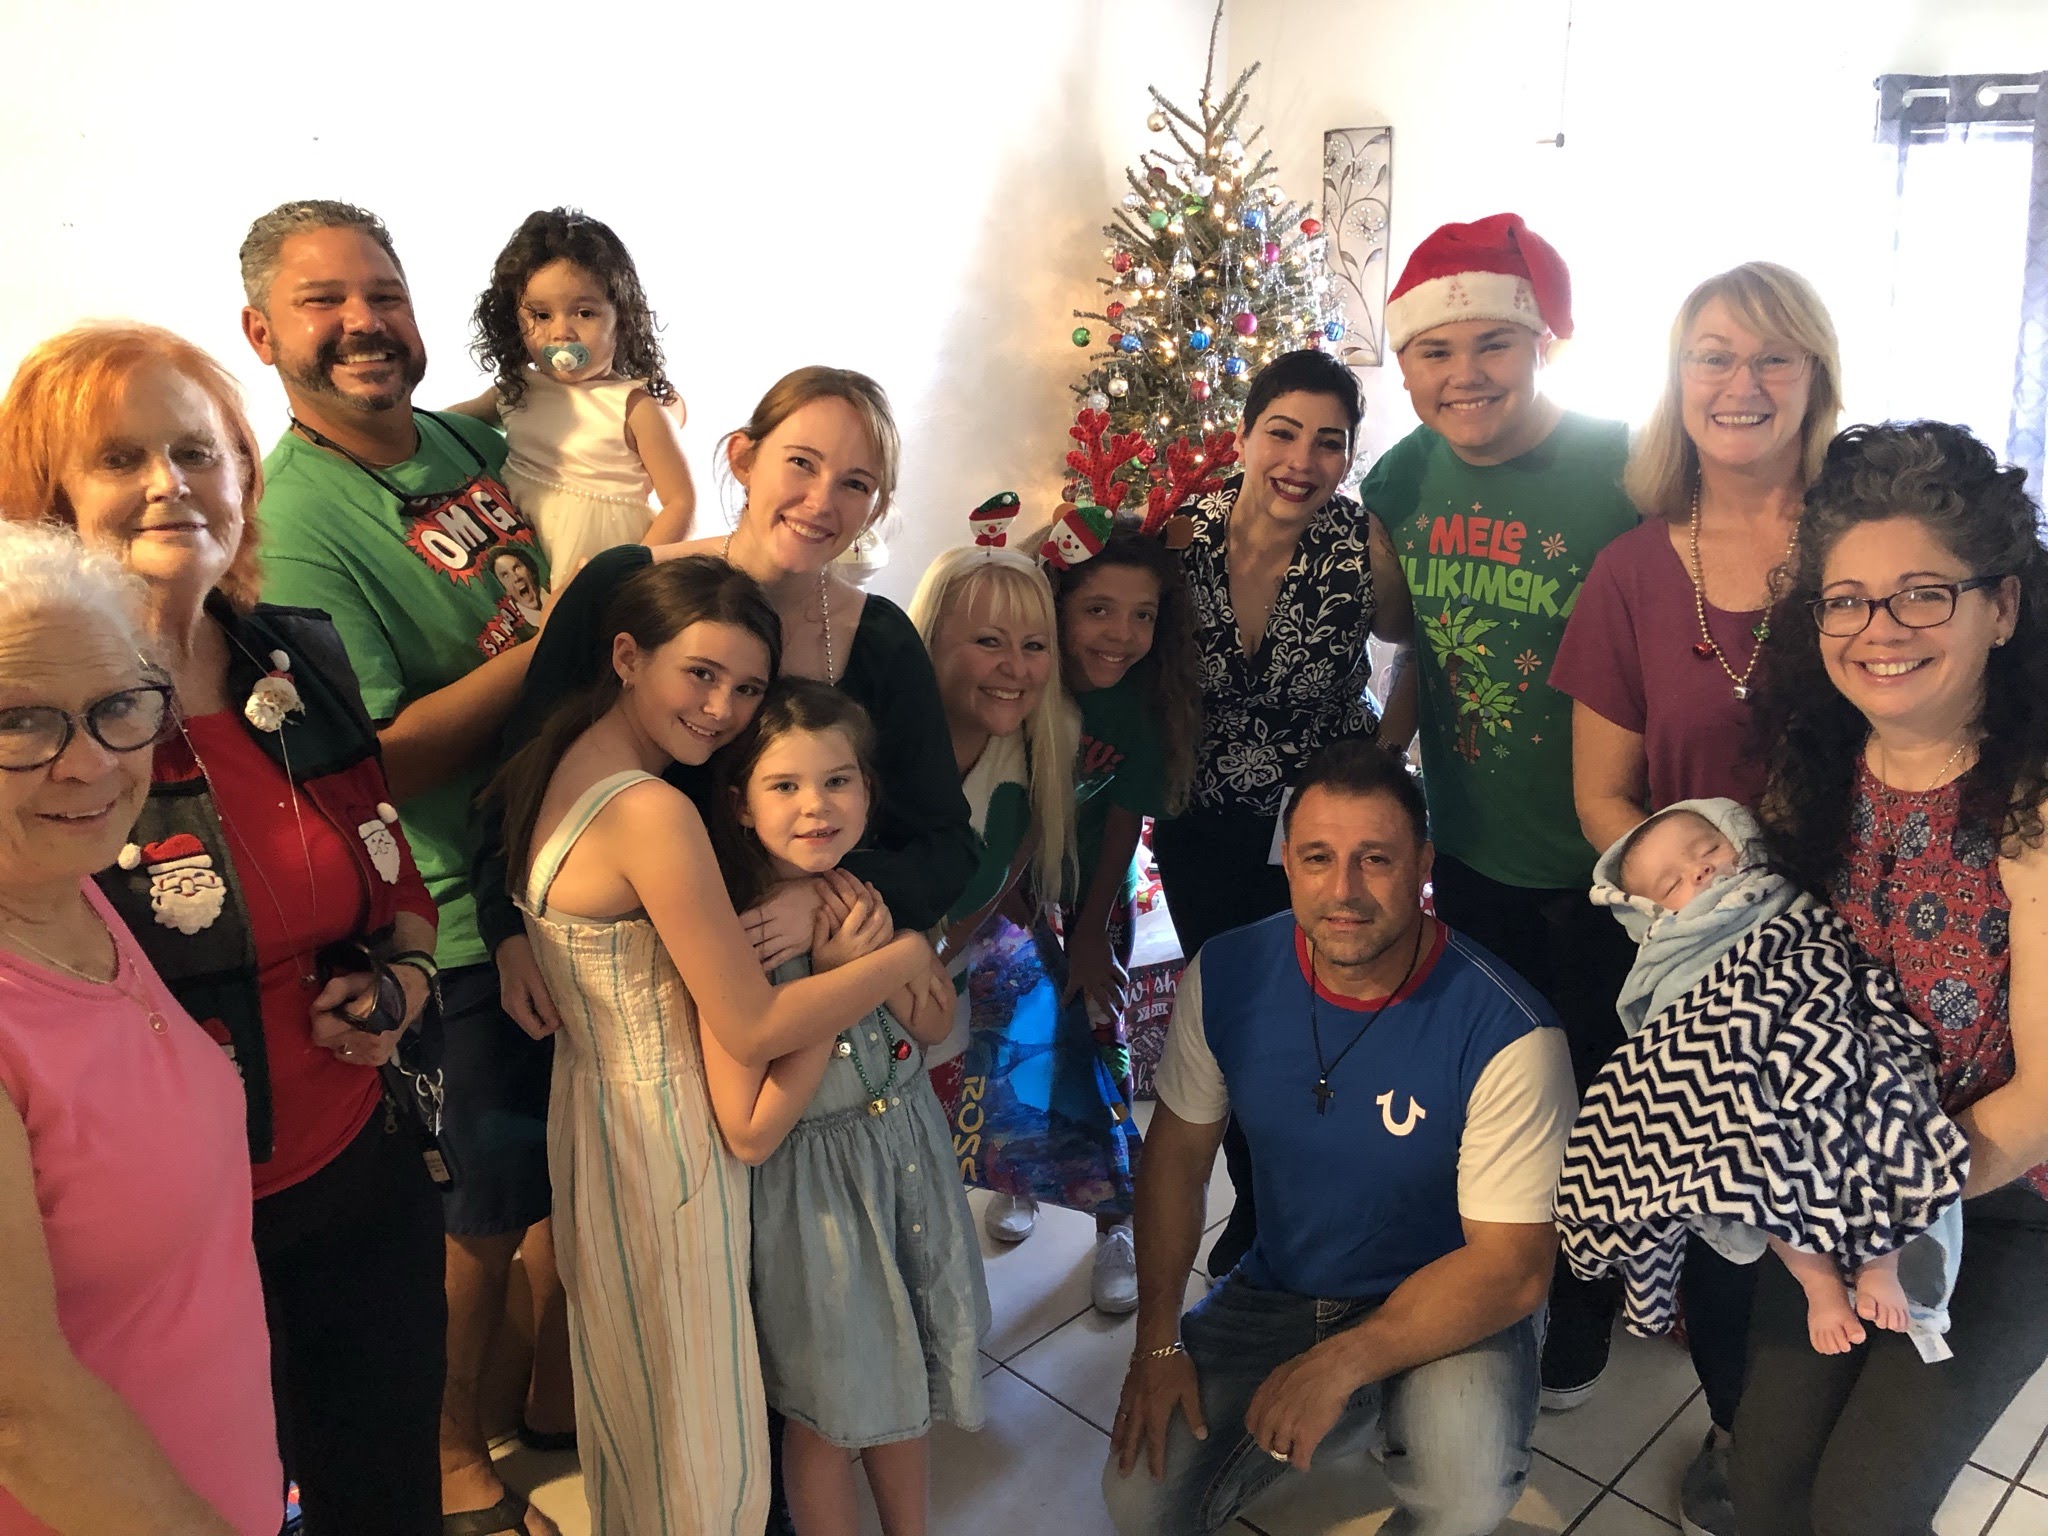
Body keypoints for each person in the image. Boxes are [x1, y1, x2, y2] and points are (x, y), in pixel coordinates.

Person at [0, 323, 448, 1534]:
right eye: (119, 457)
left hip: (356, 1168)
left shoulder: (295, 659)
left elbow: (394, 874)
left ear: (246, 477)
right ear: (46, 498)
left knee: (382, 1491)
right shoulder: (53, 755)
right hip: (156, 1244)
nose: (170, 484)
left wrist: (402, 982)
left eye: (197, 451)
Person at [236, 199, 566, 1536]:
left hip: (559, 871)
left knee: (550, 1178)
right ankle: (448, 1459)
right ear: (261, 332)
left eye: (383, 292)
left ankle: (539, 1395)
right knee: (472, 1211)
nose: (364, 322)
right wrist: (565, 636)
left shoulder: (465, 443)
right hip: (455, 915)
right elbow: (374, 753)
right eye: (323, 301)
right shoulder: (293, 517)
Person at [493, 557, 940, 1535]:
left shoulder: (567, 757)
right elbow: (754, 1025)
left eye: (745, 687)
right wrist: (892, 954)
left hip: (597, 1112)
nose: (721, 709)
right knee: (702, 1445)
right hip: (664, 1141)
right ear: (627, 656)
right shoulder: (649, 811)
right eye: (700, 674)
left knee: (641, 1414)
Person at [1102, 739, 1573, 1536]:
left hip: (1449, 1295)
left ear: (1423, 865)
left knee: (1462, 1488)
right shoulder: (1227, 974)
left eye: (1376, 860)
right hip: (1285, 1284)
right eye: (1318, 857)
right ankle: (1355, 1408)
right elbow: (1177, 1160)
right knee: (1138, 1501)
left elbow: (1513, 1268)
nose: (1344, 890)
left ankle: (1371, 1398)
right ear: (1286, 862)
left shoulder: (1510, 1032)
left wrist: (1342, 1361)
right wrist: (1155, 1345)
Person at [1548, 260, 1844, 1531]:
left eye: (1772, 356)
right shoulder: (1628, 570)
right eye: (1712, 355)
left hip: (1863, 943)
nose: (1740, 382)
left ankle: (1849, 1429)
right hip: (1698, 954)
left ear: (1813, 379)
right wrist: (1695, 908)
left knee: (1846, 1191)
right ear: (1676, 381)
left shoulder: (1864, 543)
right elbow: (1600, 798)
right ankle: (1739, 1436)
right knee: (1736, 1225)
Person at [1732, 421, 2048, 1535]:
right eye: (1848, 600)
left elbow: (2039, 1100)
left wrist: (1871, 1196)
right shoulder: (1809, 773)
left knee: (1861, 1510)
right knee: (1763, 1488)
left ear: (2000, 607)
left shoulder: (2031, 807)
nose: (1878, 631)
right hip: (1823, 1187)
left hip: (1998, 1201)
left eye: (1922, 595)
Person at [1358, 210, 1643, 1425]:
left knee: (1600, 1099)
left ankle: (1582, 1304)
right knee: (1495, 1088)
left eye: (1491, 344)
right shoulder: (1398, 477)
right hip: (1471, 849)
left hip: (1608, 863)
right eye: (1432, 351)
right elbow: (1400, 629)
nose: (1461, 374)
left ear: (1542, 346)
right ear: (1404, 365)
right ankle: (1493, 1278)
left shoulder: (1627, 467)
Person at [474, 365, 979, 1034]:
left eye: (855, 484)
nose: (821, 501)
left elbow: (948, 845)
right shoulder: (623, 589)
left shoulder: (881, 641)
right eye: (801, 463)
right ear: (743, 459)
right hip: (623, 998)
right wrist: (505, 932)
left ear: (874, 509)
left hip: (790, 999)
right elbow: (521, 771)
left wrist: (822, 899)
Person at [0, 521, 281, 1535]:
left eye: (117, 706)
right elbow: (21, 1418)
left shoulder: (68, 887)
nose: (88, 763)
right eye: (18, 721)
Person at [1154, 347, 1417, 1280]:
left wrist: (1384, 756)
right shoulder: (1179, 533)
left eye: (1329, 443)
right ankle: (1258, 1200)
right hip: (1200, 810)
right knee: (1232, 1012)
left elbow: (1418, 647)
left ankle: (1319, 1203)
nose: (1302, 461)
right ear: (1244, 435)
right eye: (1283, 433)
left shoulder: (1363, 544)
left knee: (1323, 1008)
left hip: (1321, 821)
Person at [715, 680, 988, 1536]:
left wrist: (894, 951)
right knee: (828, 1416)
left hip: (907, 1162)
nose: (816, 806)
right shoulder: (740, 933)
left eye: (838, 781)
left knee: (905, 1385)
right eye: (785, 785)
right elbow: (751, 1130)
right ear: (741, 803)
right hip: (820, 1209)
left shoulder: (866, 896)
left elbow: (934, 1023)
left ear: (869, 791)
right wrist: (839, 983)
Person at [1555, 798, 1965, 1362]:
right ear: (1648, 913)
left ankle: (1881, 1264)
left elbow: (1830, 942)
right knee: (1748, 1158)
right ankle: (1819, 1286)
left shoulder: (1782, 891)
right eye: (1672, 883)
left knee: (1878, 1104)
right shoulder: (1668, 946)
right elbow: (1661, 1024)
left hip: (1820, 1020)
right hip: (1735, 1056)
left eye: (1708, 849)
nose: (1699, 871)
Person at [913, 540, 1141, 1303]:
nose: (1014, 667)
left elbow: (1014, 864)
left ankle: (1104, 1218)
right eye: (988, 641)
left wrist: (947, 950)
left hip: (956, 979)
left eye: (1033, 646)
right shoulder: (875, 749)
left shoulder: (1043, 745)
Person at [1044, 517, 1201, 1313]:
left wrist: (1087, 934)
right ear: (1056, 607)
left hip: (1091, 898)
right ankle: (1021, 1178)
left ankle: (1114, 1218)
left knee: (1098, 1040)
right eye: (1098, 610)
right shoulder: (1025, 686)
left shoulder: (1139, 711)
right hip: (1006, 897)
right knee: (1016, 1046)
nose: (1122, 635)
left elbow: (1120, 828)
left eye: (1143, 616)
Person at [452, 207, 694, 573]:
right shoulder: (518, 389)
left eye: (584, 313)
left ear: (622, 319)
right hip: (523, 558)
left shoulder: (634, 408)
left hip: (603, 569)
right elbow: (445, 423)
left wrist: (627, 572)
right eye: (541, 315)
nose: (561, 332)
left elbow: (681, 503)